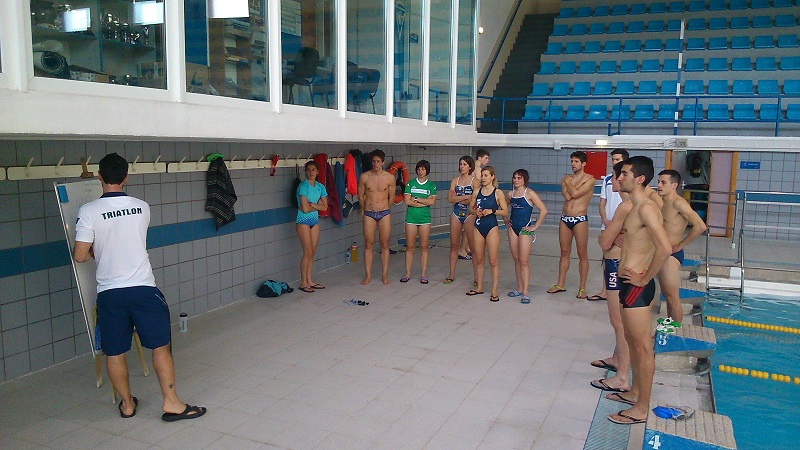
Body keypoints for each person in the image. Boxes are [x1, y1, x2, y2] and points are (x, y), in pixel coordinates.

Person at [72, 153, 206, 422]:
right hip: (144, 289)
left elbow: (80, 255)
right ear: (126, 177)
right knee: (160, 347)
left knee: (114, 352)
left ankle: (127, 405)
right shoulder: (142, 207)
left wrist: (99, 251)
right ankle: (172, 402)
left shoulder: (88, 211)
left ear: (99, 176)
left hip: (110, 293)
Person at [605, 156, 672, 426]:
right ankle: (634, 392)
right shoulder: (633, 208)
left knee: (643, 347)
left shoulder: (646, 208)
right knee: (632, 342)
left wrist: (644, 279)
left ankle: (642, 408)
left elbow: (665, 248)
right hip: (627, 284)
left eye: (624, 174)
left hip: (636, 287)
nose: (619, 178)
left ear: (640, 178)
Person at [591, 161, 633, 393]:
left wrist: (609, 236)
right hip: (614, 264)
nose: (615, 181)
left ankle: (622, 377)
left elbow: (604, 241)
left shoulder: (627, 206)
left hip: (618, 265)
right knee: (618, 323)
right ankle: (618, 360)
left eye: (618, 176)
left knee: (619, 323)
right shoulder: (633, 205)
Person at [656, 170, 707, 325]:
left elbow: (700, 226)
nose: (659, 185)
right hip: (659, 252)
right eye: (658, 182)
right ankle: (669, 327)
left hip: (671, 254)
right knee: (667, 295)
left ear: (674, 185)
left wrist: (680, 245)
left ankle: (675, 330)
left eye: (663, 182)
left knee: (672, 296)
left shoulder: (678, 203)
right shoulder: (660, 201)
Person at [548, 151, 595, 298]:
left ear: (583, 163)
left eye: (576, 161)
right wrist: (572, 185)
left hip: (579, 218)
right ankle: (560, 284)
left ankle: (582, 288)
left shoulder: (590, 179)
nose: (573, 164)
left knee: (582, 253)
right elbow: (568, 196)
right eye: (572, 161)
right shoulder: (566, 179)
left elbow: (574, 194)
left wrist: (569, 183)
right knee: (564, 252)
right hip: (565, 218)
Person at [589, 149, 629, 302]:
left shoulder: (628, 183)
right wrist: (605, 220)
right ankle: (606, 291)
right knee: (607, 258)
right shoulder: (607, 179)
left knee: (622, 258)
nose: (614, 162)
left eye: (617, 159)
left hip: (623, 227)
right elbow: (602, 203)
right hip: (609, 224)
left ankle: (620, 293)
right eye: (613, 159)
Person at [505, 169, 547, 304]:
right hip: (513, 229)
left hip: (525, 229)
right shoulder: (510, 194)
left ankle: (526, 292)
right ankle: (519, 288)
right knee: (517, 260)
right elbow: (503, 208)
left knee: (524, 261)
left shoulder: (529, 193)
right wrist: (506, 220)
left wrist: (535, 226)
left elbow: (543, 210)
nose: (516, 180)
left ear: (524, 180)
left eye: (519, 178)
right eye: (515, 178)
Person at [466, 166, 508, 302]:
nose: (483, 178)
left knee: (493, 260)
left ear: (492, 177)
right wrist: (476, 212)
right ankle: (479, 287)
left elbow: (505, 211)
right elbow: (470, 209)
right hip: (478, 226)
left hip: (491, 227)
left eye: (486, 175)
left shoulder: (498, 193)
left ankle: (494, 291)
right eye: (482, 175)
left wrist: (492, 211)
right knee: (479, 259)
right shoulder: (477, 192)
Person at [358, 149, 396, 285]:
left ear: (383, 162)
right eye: (373, 161)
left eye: (378, 161)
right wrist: (367, 208)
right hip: (369, 213)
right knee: (368, 243)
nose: (375, 164)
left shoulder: (389, 178)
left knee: (385, 244)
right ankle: (368, 275)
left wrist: (384, 207)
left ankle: (384, 275)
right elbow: (360, 196)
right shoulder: (365, 177)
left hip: (384, 212)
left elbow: (391, 197)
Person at [295, 161, 329, 293]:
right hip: (303, 221)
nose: (311, 172)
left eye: (313, 170)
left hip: (314, 221)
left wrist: (313, 205)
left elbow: (325, 207)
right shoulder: (303, 186)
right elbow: (304, 208)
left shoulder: (320, 187)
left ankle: (309, 280)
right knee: (307, 252)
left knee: (312, 252)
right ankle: (303, 282)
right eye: (308, 170)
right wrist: (317, 205)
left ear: (317, 172)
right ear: (305, 171)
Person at [402, 160, 436, 283]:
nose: (420, 171)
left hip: (425, 219)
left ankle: (423, 274)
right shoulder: (410, 184)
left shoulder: (431, 185)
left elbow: (432, 202)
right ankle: (407, 273)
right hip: (411, 219)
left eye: (423, 169)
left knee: (424, 247)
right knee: (410, 246)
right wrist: (424, 202)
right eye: (419, 169)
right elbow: (407, 201)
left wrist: (416, 199)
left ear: (427, 171)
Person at [445, 156, 478, 284]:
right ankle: (451, 274)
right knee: (454, 245)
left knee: (473, 247)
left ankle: (477, 277)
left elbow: (474, 200)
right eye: (460, 164)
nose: (462, 166)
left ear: (470, 167)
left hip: (470, 214)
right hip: (456, 213)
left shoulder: (475, 181)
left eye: (464, 164)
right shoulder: (455, 180)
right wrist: (465, 197)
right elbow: (450, 199)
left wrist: (458, 198)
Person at [463, 149, 490, 284]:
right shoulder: (477, 170)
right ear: (479, 158)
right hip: (474, 205)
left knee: (467, 231)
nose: (487, 161)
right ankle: (465, 249)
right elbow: (477, 190)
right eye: (486, 158)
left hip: (470, 204)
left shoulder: (474, 168)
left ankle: (463, 249)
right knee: (470, 232)